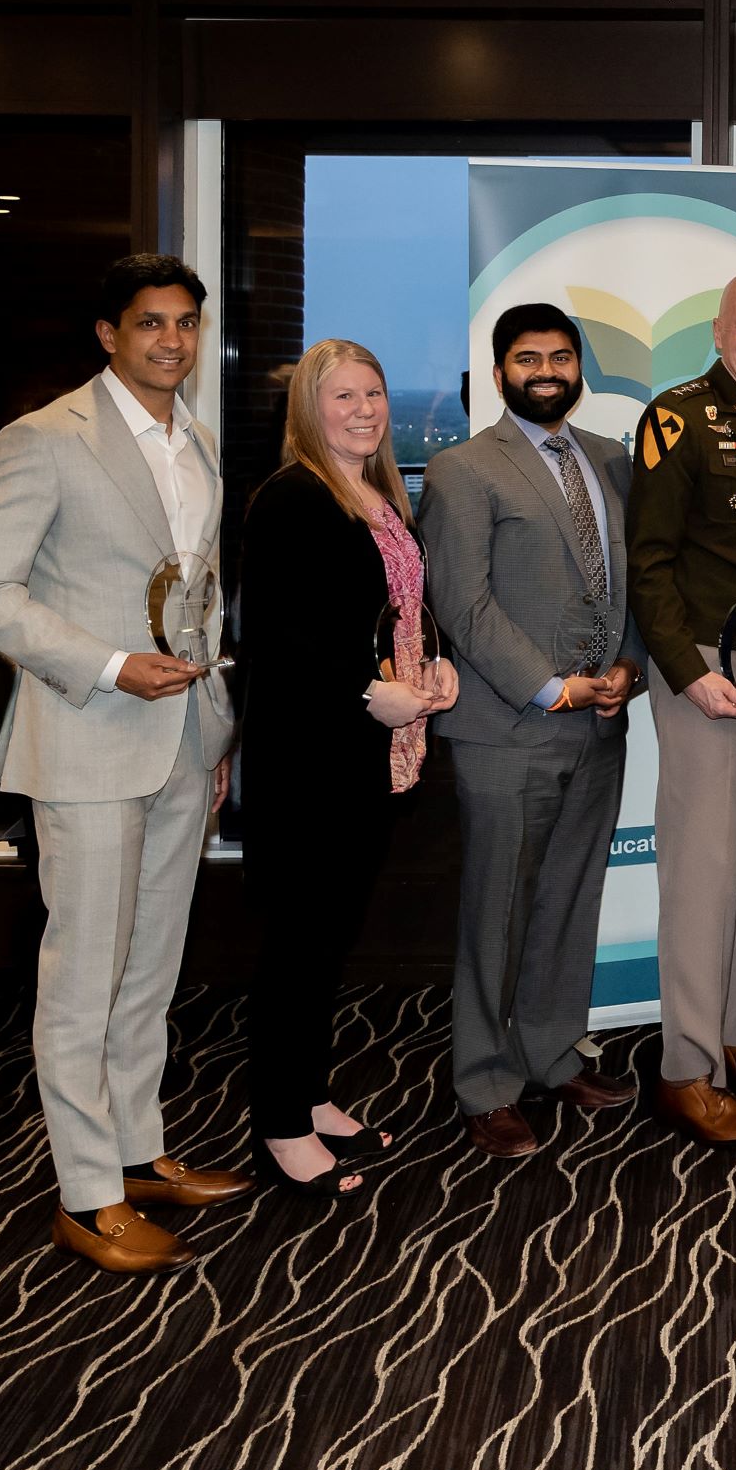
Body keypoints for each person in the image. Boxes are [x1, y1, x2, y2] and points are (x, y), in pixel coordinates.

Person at [0, 254, 249, 1272]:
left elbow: (195, 595)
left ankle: (135, 1150)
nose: (172, 340)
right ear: (108, 334)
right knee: (82, 975)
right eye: (151, 323)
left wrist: (217, 724)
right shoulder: (42, 439)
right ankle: (84, 1193)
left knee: (149, 966)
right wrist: (112, 665)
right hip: (87, 736)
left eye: (187, 324)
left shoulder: (194, 439)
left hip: (183, 738)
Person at [418, 302, 646, 1159]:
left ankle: (552, 1053)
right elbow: (461, 604)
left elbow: (631, 582)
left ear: (580, 367)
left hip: (601, 724)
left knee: (568, 901)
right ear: (500, 368)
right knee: (497, 914)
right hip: (508, 727)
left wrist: (629, 669)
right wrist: (549, 687)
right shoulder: (461, 470)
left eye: (560, 356)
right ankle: (483, 1081)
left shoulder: (613, 461)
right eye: (527, 358)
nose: (545, 371)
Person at [238, 339, 458, 1196]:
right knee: (296, 947)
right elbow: (282, 642)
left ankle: (309, 1093)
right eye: (343, 397)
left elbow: (398, 613)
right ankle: (279, 1125)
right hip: (310, 765)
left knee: (328, 939)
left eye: (373, 392)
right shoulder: (291, 500)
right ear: (308, 408)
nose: (364, 409)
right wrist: (371, 692)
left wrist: (432, 665)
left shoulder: (373, 494)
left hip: (369, 757)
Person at [627, 271, 736, 1150]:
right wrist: (682, 671)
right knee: (703, 870)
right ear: (719, 329)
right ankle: (684, 1070)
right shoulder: (677, 416)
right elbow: (648, 560)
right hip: (702, 665)